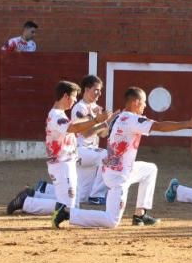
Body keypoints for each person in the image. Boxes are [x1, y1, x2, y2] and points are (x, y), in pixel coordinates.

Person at [51, 87, 192, 229]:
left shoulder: (121, 117)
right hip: (118, 176)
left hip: (121, 169)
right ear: (136, 102)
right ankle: (69, 213)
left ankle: (140, 215)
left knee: (150, 169)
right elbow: (160, 126)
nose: (145, 106)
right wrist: (188, 124)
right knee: (112, 220)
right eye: (143, 102)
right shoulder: (132, 119)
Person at [6, 81, 113, 218]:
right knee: (69, 208)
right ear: (65, 96)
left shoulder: (59, 114)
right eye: (74, 97)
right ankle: (26, 202)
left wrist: (98, 120)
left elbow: (76, 127)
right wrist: (96, 120)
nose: (75, 101)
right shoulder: (56, 115)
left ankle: (34, 195)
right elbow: (73, 128)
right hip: (62, 164)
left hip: (66, 162)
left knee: (75, 203)